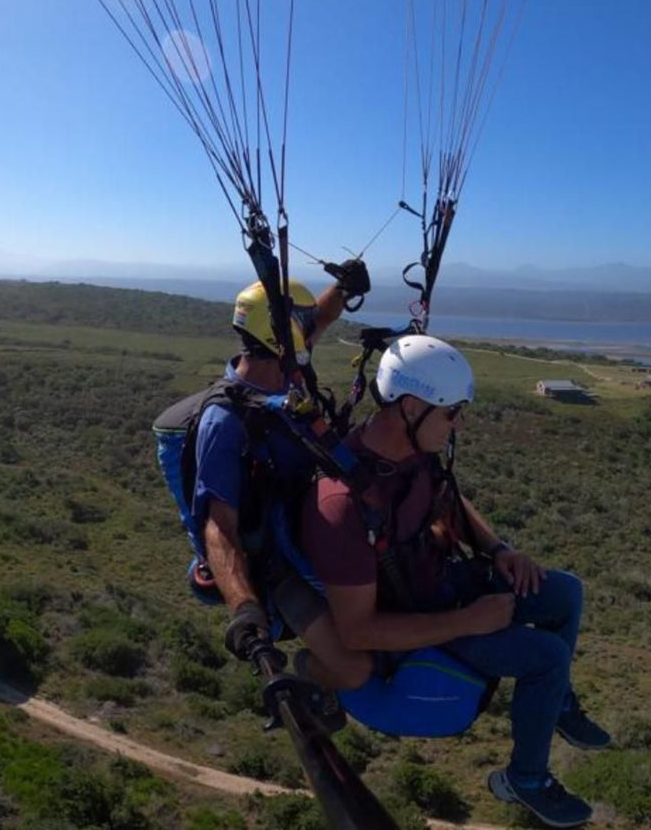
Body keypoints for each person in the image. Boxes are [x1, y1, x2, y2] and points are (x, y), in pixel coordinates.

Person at [298, 335, 610, 828]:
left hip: (445, 584)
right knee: (547, 659)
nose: (458, 424)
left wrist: (499, 550)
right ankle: (526, 779)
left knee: (565, 592)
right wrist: (468, 621)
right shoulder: (341, 505)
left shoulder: (411, 452)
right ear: (413, 405)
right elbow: (358, 632)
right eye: (452, 414)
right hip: (419, 621)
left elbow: (449, 502)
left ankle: (559, 706)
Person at [193, 262, 374, 691]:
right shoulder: (225, 421)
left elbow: (320, 316)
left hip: (315, 525)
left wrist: (344, 288)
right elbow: (219, 526)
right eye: (303, 322)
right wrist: (244, 608)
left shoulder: (281, 366)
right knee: (355, 668)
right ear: (281, 334)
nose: (313, 327)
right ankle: (312, 683)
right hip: (278, 566)